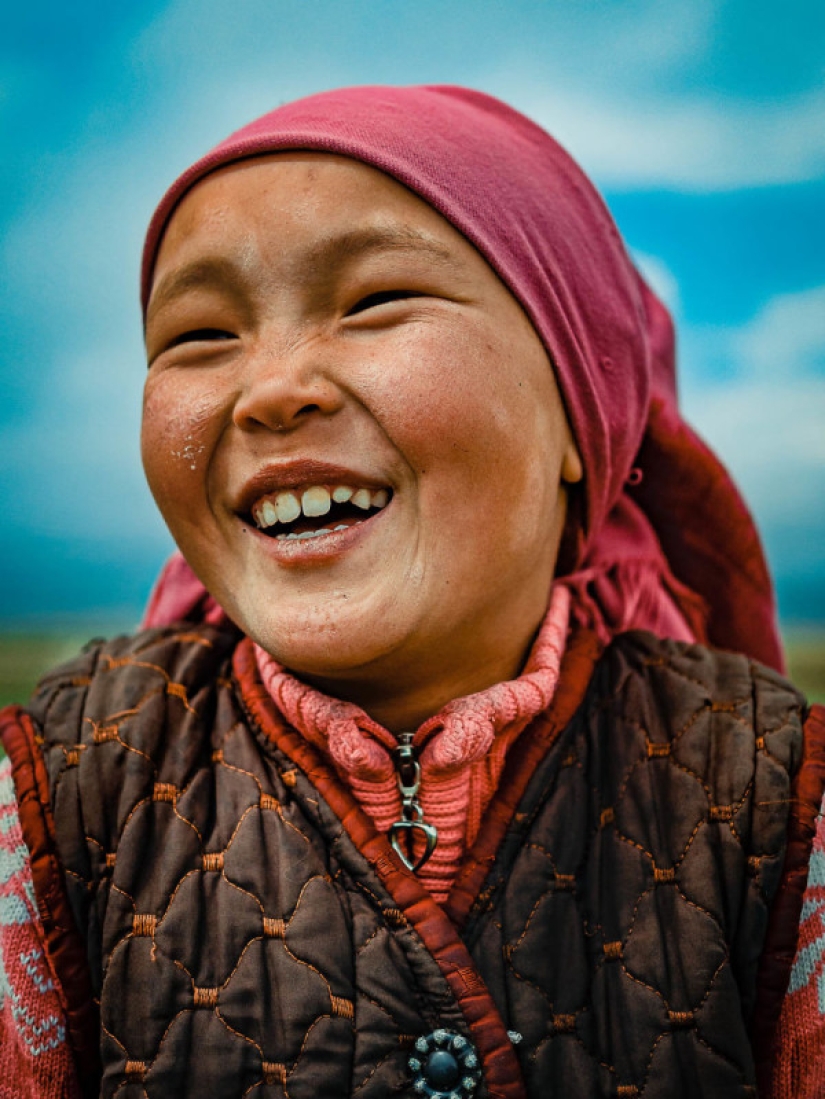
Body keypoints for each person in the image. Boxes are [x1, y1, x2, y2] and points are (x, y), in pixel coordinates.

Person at [0, 84, 822, 1099]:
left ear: (582, 417)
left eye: (375, 303)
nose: (273, 388)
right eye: (201, 336)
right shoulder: (58, 791)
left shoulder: (779, 799)